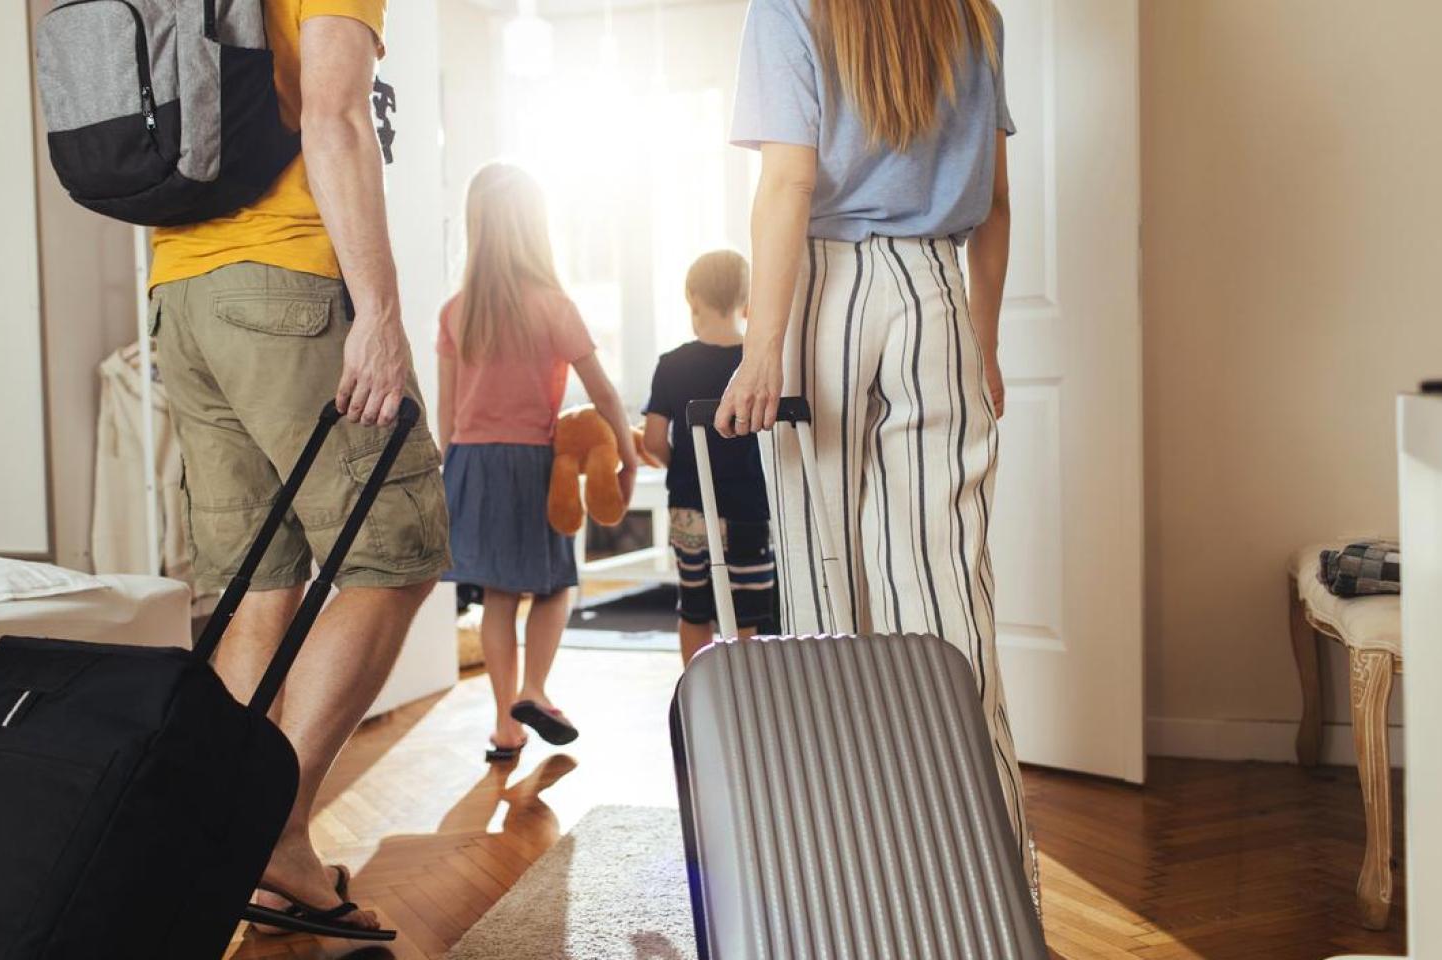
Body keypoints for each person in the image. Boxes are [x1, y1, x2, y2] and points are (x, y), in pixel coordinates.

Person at [714, 0, 1039, 898]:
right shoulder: (978, 14)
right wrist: (985, 341)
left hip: (824, 293)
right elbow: (999, 200)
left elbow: (787, 185)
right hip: (938, 289)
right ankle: (990, 891)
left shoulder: (788, 8)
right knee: (948, 598)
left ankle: (850, 887)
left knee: (827, 598)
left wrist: (762, 350)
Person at [148, 1, 447, 938]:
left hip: (180, 292)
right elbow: (335, 116)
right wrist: (381, 313)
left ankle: (234, 853)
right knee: (396, 549)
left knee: (255, 586)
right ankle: (272, 832)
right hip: (288, 284)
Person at [437, 163, 638, 764]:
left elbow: (445, 419)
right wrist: (625, 448)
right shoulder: (553, 305)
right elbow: (601, 392)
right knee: (555, 587)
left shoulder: (455, 311)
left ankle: (506, 728)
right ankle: (535, 690)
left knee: (499, 597)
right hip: (532, 465)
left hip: (471, 464)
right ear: (534, 227)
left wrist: (451, 484)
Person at [641, 251, 778, 664]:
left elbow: (651, 439)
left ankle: (698, 692)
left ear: (692, 299)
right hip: (747, 508)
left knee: (694, 607)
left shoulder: (671, 365)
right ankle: (746, 694)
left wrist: (679, 466)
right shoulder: (755, 366)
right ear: (748, 302)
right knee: (746, 616)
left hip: (689, 507)